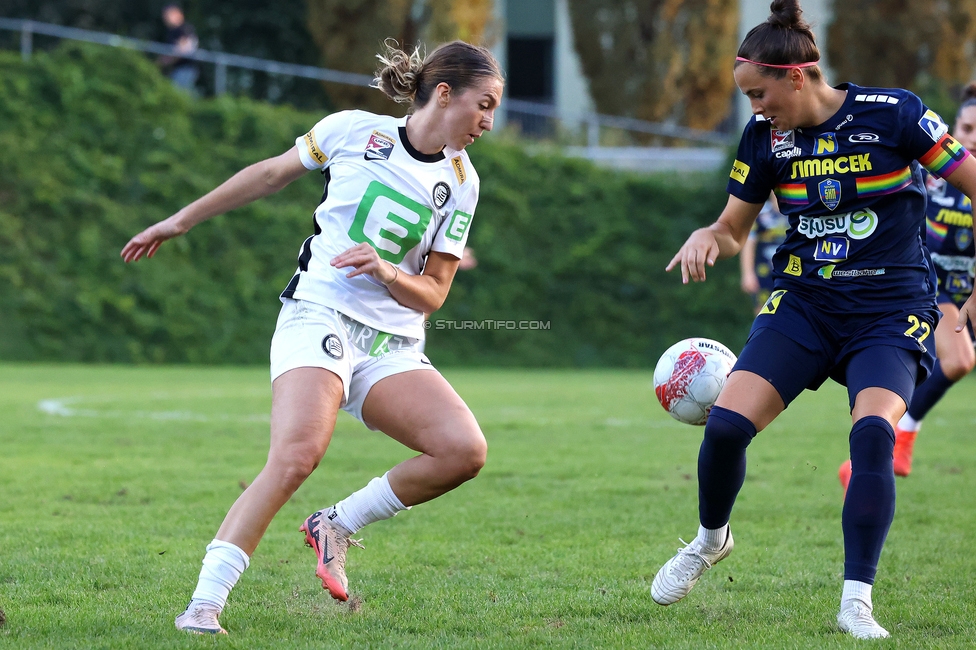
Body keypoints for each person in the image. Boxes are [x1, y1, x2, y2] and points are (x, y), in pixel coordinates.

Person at [121, 40, 504, 635]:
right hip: (319, 312)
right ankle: (204, 604)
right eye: (485, 104)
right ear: (446, 93)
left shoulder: (461, 183)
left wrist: (386, 270)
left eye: (494, 110)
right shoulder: (352, 131)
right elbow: (271, 174)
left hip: (393, 345)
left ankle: (337, 524)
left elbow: (433, 294)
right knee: (298, 454)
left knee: (464, 451)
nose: (488, 121)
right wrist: (180, 220)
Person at [649, 0, 976, 640]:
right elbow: (734, 228)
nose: (755, 108)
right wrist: (708, 236)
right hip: (802, 305)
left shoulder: (897, 114)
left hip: (889, 310)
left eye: (758, 92)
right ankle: (710, 540)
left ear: (796, 75)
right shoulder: (765, 140)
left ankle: (856, 601)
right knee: (723, 430)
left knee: (874, 436)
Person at [839, 84, 976, 489]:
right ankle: (896, 445)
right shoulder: (933, 172)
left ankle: (870, 457)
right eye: (967, 127)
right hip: (931, 282)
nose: (973, 136)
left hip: (967, 284)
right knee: (958, 361)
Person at [739, 193, 788, 315]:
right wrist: (747, 274)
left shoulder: (799, 213)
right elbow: (748, 244)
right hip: (764, 273)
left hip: (792, 272)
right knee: (763, 313)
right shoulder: (759, 213)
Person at [159, 4, 200, 92]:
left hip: (186, 68)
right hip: (177, 69)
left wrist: (167, 60)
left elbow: (184, 49)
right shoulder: (171, 32)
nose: (166, 18)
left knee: (178, 93)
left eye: (169, 14)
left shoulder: (184, 28)